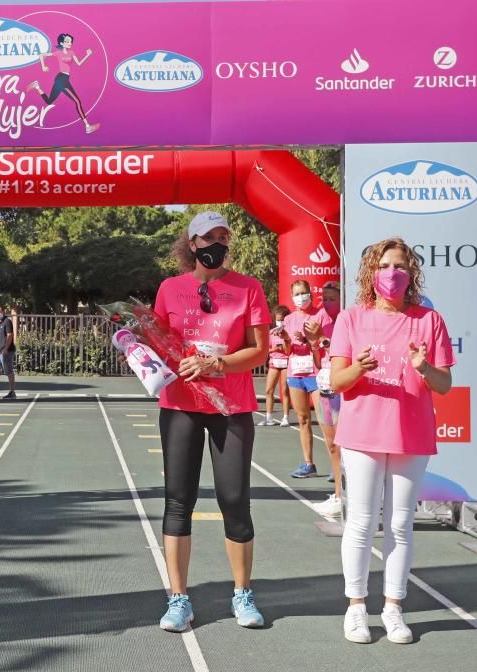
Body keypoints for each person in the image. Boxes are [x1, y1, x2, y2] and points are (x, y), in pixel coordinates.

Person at [330, 237, 454, 645]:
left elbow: (445, 385)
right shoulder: (351, 318)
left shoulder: (429, 321)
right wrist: (361, 368)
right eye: (385, 265)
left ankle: (394, 608)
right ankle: (356, 608)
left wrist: (423, 366)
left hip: (411, 434)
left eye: (400, 265)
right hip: (362, 433)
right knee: (362, 522)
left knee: (400, 525)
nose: (393, 273)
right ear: (371, 271)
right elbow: (337, 381)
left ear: (412, 272)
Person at [155, 210, 270, 632]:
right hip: (181, 405)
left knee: (235, 500)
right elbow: (161, 344)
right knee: (178, 501)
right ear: (192, 245)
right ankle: (179, 598)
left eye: (223, 236)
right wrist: (141, 350)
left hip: (231, 407)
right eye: (208, 238)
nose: (217, 244)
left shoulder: (249, 288)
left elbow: (260, 352)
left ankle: (242, 593)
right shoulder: (169, 288)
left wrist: (216, 362)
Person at [283, 280, 333, 479]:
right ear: (292, 296)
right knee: (303, 419)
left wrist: (308, 339)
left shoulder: (320, 314)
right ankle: (308, 463)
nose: (300, 297)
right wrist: (288, 340)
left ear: (310, 294)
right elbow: (288, 351)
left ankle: (334, 464)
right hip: (295, 373)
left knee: (324, 420)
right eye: (296, 294)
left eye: (304, 293)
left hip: (315, 372)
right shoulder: (289, 319)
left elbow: (325, 343)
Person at [312, 280, 345, 518]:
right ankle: (337, 494)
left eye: (332, 298)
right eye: (324, 299)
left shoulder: (348, 322)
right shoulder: (320, 322)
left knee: (345, 446)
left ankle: (346, 496)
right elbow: (317, 361)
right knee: (331, 444)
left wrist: (324, 339)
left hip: (343, 390)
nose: (327, 303)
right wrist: (315, 342)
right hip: (323, 387)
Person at [27, 33, 100, 134]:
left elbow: (79, 64)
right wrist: (43, 66)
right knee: (77, 102)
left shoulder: (72, 52)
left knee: (49, 101)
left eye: (70, 41)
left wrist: (87, 55)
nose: (70, 43)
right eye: (67, 41)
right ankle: (87, 126)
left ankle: (37, 86)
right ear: (62, 43)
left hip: (64, 79)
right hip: (61, 79)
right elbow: (41, 55)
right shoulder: (58, 52)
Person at [258, 305, 292, 427]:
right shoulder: (271, 333)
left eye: (282, 319)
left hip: (286, 364)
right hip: (274, 363)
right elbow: (266, 349)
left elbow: (289, 350)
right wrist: (274, 349)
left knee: (284, 391)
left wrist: (284, 347)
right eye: (278, 319)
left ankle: (286, 417)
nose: (280, 322)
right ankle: (269, 418)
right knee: (269, 390)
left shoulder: (289, 333)